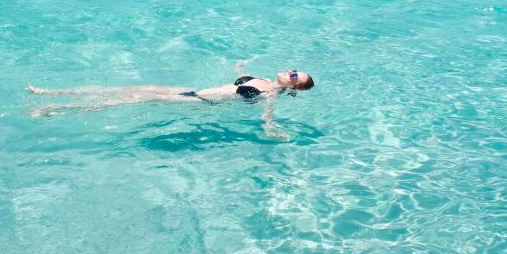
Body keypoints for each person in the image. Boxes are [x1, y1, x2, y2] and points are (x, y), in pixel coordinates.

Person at [27, 66, 316, 140]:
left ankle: (56, 109)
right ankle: (50, 93)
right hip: (191, 90)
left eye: (294, 75)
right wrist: (239, 66)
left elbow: (267, 117)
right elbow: (236, 82)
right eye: (293, 70)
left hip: (198, 100)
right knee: (128, 88)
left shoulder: (270, 94)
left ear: (294, 86)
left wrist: (273, 131)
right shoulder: (265, 79)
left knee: (128, 100)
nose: (290, 72)